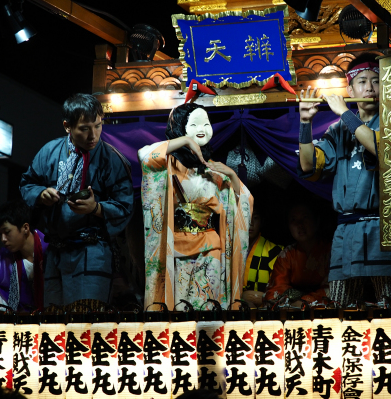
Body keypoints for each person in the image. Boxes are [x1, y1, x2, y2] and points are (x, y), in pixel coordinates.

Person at [297, 53, 391, 307]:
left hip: (381, 230)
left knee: (390, 306)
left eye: (376, 81)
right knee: (341, 307)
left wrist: (343, 112)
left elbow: (381, 148)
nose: (370, 88)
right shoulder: (337, 130)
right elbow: (309, 164)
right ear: (350, 88)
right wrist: (305, 123)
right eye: (362, 81)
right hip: (346, 232)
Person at [20, 93, 133, 306]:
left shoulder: (113, 159)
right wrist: (41, 194)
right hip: (55, 251)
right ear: (67, 126)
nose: (93, 135)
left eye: (98, 126)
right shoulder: (49, 152)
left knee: (86, 319)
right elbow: (28, 184)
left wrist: (96, 208)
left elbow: (125, 205)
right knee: (54, 322)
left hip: (93, 250)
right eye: (84, 128)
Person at [139, 103, 253, 311]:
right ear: (180, 129)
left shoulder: (214, 170)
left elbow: (241, 201)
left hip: (210, 248)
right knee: (180, 311)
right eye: (194, 124)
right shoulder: (168, 166)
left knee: (207, 310)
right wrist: (185, 141)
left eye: (206, 124)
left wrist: (232, 175)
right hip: (177, 249)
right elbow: (145, 156)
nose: (202, 129)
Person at [264, 203, 330, 306]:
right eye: (293, 220)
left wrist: (305, 300)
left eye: (305, 217)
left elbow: (332, 288)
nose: (300, 224)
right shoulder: (287, 254)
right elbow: (277, 287)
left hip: (320, 305)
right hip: (292, 304)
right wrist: (294, 299)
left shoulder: (330, 251)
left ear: (316, 221)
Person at [242, 205, 283, 307]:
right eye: (246, 216)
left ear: (262, 222)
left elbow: (280, 291)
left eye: (255, 218)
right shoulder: (230, 250)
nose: (251, 223)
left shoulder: (274, 251)